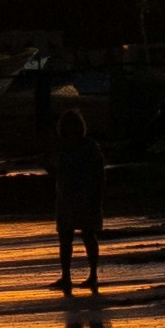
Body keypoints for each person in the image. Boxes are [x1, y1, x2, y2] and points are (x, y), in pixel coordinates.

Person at [42, 63, 110, 291]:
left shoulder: (81, 148)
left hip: (78, 197)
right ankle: (76, 276)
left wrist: (97, 196)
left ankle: (83, 276)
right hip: (73, 197)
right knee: (74, 238)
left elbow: (96, 173)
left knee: (77, 237)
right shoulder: (78, 147)